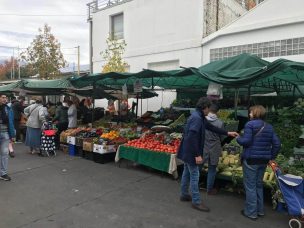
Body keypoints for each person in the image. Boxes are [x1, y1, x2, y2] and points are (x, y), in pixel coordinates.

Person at [177, 97, 238, 212]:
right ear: (204, 107)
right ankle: (196, 201)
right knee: (194, 176)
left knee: (186, 172)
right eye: (208, 108)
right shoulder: (197, 118)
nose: (209, 111)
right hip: (191, 151)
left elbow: (210, 127)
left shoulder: (199, 116)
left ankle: (184, 194)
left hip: (187, 150)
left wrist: (227, 132)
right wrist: (197, 155)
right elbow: (191, 137)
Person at [236, 105, 280, 220]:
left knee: (250, 186)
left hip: (251, 160)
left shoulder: (250, 125)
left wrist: (238, 138)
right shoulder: (269, 126)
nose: (249, 114)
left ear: (255, 113)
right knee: (258, 185)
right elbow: (277, 144)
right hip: (263, 161)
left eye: (250, 112)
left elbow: (246, 142)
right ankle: (260, 210)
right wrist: (271, 156)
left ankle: (251, 212)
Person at [203, 103, 225, 195]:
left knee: (198, 167)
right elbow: (222, 137)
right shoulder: (220, 123)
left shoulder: (203, 120)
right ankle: (209, 189)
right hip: (215, 147)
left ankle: (194, 186)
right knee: (212, 168)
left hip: (204, 145)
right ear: (218, 112)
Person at [0, 93, 16, 181]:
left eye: (5, 98)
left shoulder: (8, 108)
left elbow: (11, 122)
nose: (5, 99)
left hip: (5, 133)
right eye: (3, 97)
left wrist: (12, 135)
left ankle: (3, 173)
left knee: (4, 154)